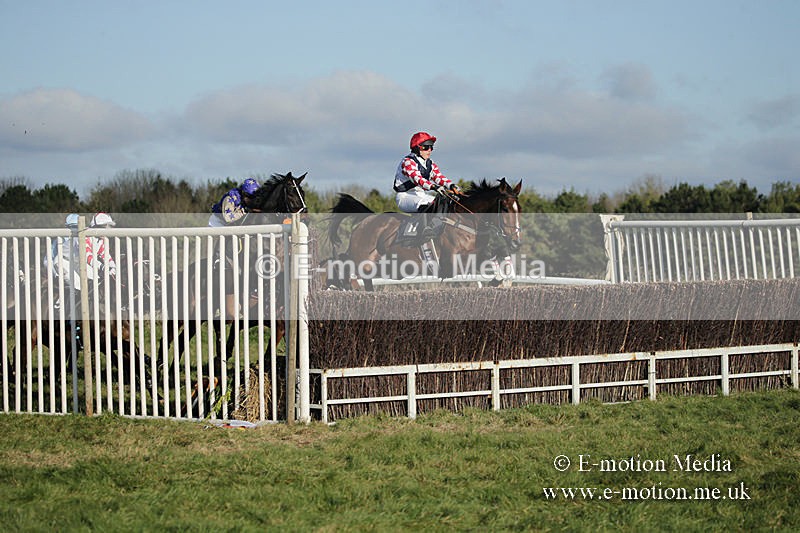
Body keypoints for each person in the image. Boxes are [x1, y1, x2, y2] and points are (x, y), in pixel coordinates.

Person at [394, 132, 461, 240]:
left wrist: (451, 185)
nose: (429, 150)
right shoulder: (407, 162)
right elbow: (417, 179)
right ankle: (426, 229)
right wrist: (434, 187)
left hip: (421, 195)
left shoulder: (430, 164)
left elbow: (438, 177)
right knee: (428, 202)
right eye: (426, 147)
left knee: (444, 202)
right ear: (417, 148)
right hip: (405, 197)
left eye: (431, 147)